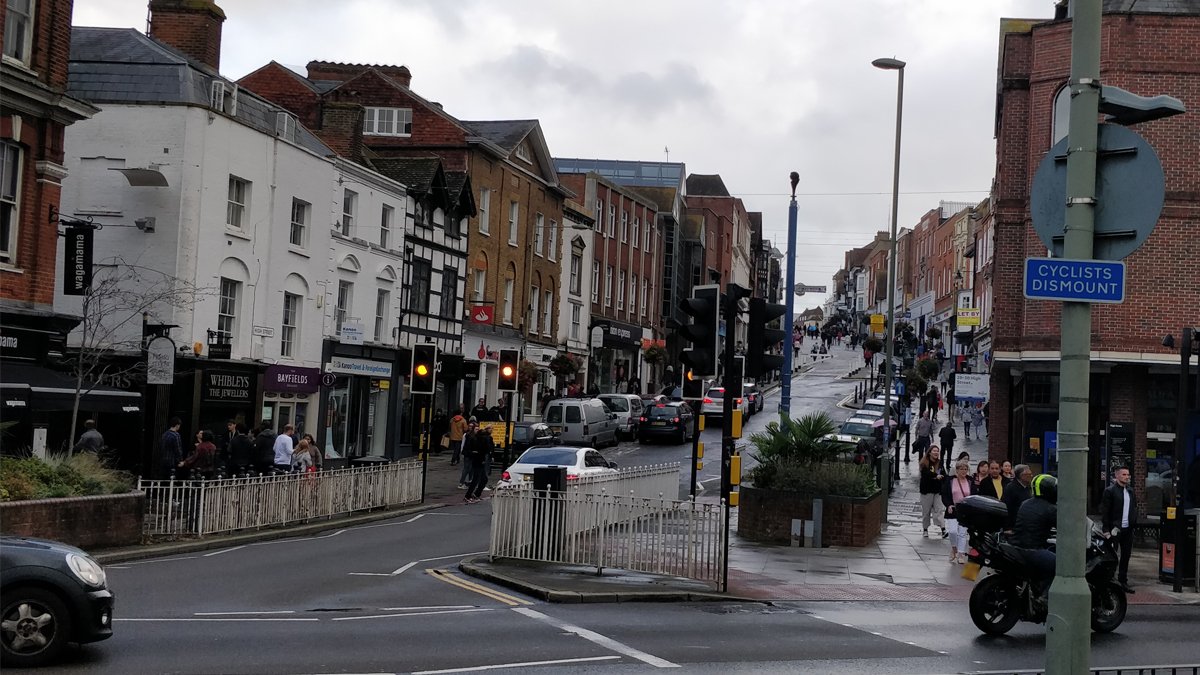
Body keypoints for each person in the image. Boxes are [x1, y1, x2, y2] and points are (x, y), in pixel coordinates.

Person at [1013, 474, 1059, 594]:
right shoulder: (1051, 509)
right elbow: (1066, 528)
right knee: (1061, 565)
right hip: (1032, 550)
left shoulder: (1025, 503)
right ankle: (1045, 597)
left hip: (1017, 547)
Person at [1101, 466, 1137, 593]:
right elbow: (1105, 512)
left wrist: (1134, 523)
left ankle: (1123, 580)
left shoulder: (1131, 491)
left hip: (1128, 529)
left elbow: (1133, 508)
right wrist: (1106, 530)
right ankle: (1109, 581)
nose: (1127, 477)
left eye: (1128, 475)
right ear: (1117, 476)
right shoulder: (1110, 491)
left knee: (1126, 555)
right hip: (1114, 529)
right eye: (1124, 475)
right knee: (1112, 556)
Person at [942, 460, 977, 563]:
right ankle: (954, 549)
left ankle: (961, 554)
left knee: (962, 533)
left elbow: (974, 495)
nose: (964, 471)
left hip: (965, 511)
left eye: (966, 469)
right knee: (952, 531)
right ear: (956, 470)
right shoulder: (950, 481)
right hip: (953, 509)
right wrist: (948, 505)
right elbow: (945, 494)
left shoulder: (970, 481)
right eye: (961, 469)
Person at [463, 419, 495, 504]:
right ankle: (468, 495)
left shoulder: (480, 438)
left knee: (482, 479)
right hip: (479, 460)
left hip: (480, 460)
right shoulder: (480, 438)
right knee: (476, 479)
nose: (492, 430)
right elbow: (482, 450)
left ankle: (475, 494)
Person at [919, 446, 947, 538]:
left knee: (939, 510)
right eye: (934, 451)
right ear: (929, 452)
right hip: (927, 491)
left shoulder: (940, 463)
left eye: (937, 451)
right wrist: (936, 476)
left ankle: (943, 529)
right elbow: (925, 474)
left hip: (937, 491)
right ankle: (925, 529)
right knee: (926, 512)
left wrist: (944, 479)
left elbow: (943, 474)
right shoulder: (924, 463)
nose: (936, 453)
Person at [1002, 464, 1033, 531]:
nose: (1031, 476)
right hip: (1014, 526)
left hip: (1026, 525)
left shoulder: (1029, 487)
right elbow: (1006, 508)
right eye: (1029, 474)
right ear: (1022, 476)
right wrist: (1007, 528)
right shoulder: (1010, 488)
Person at [458, 416, 479, 488]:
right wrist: (463, 452)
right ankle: (461, 483)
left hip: (469, 453)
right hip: (468, 454)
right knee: (467, 468)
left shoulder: (470, 435)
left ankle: (470, 481)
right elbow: (464, 445)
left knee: (470, 468)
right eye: (476, 428)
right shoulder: (468, 435)